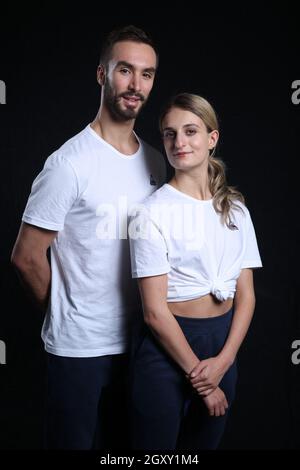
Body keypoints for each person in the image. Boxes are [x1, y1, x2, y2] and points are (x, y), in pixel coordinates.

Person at [10, 25, 165, 450]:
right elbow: (26, 257)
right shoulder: (68, 163)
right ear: (102, 75)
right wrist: (65, 311)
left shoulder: (155, 159)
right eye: (125, 71)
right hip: (80, 349)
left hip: (141, 343)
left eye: (147, 74)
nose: (136, 85)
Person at [128, 93, 262, 450]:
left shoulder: (236, 211)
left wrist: (225, 360)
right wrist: (203, 379)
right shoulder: (149, 213)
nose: (179, 142)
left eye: (190, 131)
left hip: (222, 343)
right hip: (170, 345)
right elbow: (154, 312)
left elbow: (246, 294)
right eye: (170, 134)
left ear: (212, 138)